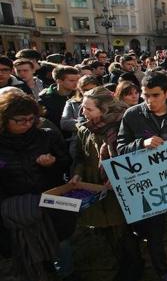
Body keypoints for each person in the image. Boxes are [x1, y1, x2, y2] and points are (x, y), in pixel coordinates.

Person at [117, 71, 167, 281]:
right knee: (154, 235)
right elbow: (120, 149)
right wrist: (141, 144)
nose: (149, 100)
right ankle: (162, 271)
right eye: (145, 95)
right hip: (149, 188)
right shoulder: (132, 115)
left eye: (155, 95)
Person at [0, 90, 76, 281]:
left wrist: (53, 163)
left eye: (31, 119)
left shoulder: (46, 136)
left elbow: (66, 161)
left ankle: (66, 273)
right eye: (20, 120)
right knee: (26, 246)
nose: (27, 124)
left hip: (52, 198)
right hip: (16, 208)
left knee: (62, 242)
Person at [71, 87, 143, 281]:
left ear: (104, 109)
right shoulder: (84, 128)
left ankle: (134, 267)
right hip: (94, 185)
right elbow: (79, 156)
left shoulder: (124, 125)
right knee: (106, 231)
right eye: (83, 107)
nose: (83, 112)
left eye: (88, 109)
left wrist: (116, 177)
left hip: (120, 186)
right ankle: (122, 262)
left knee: (124, 230)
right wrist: (77, 175)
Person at [61, 75, 100, 160]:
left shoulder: (105, 102)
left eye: (92, 89)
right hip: (80, 143)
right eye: (85, 90)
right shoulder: (72, 103)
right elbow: (65, 123)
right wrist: (85, 123)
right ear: (80, 90)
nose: (89, 92)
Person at [39, 66, 80, 138]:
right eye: (72, 80)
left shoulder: (81, 96)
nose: (76, 83)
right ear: (59, 81)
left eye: (78, 80)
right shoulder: (45, 99)